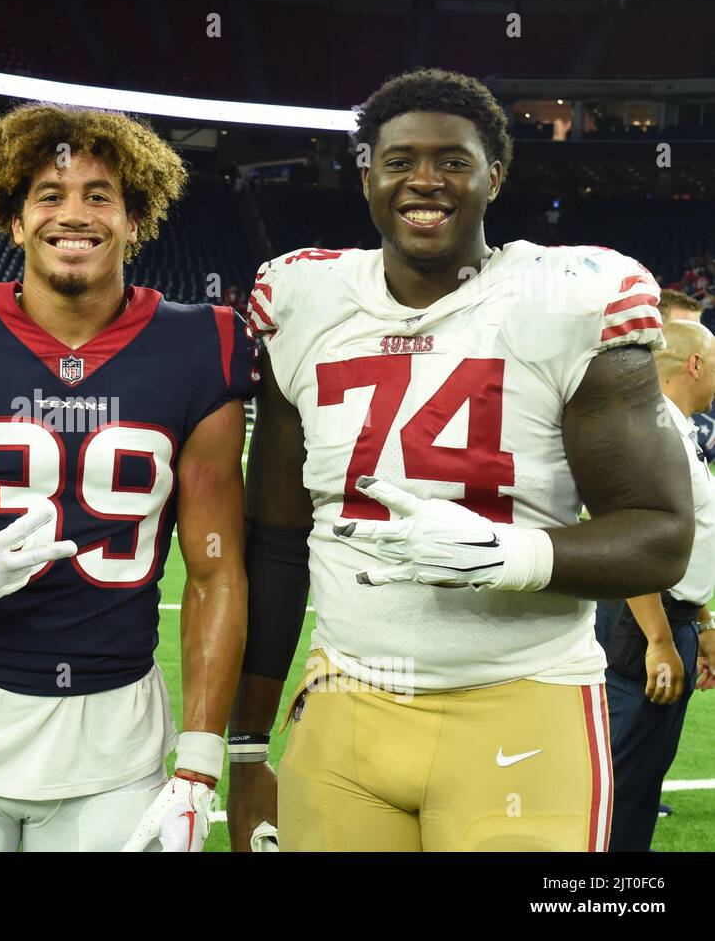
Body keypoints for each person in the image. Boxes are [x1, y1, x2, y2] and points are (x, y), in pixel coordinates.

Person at [231, 68, 693, 852]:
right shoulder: (303, 300)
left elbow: (660, 534)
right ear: (367, 174)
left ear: (494, 176)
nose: (426, 181)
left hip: (523, 696)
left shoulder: (569, 294)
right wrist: (245, 748)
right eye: (400, 160)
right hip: (345, 697)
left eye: (453, 161)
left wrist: (508, 554)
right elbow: (276, 543)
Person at [0, 103, 254, 852]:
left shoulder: (202, 343)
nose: (74, 215)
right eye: (49, 195)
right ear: (14, 220)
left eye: (99, 195)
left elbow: (215, 568)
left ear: (137, 221)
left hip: (116, 739)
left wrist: (199, 764)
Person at [602, 319, 715, 850]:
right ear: (694, 364)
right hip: (645, 628)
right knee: (620, 785)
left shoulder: (680, 428)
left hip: (673, 620)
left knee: (645, 781)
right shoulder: (655, 430)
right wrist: (661, 640)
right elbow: (631, 542)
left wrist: (701, 621)